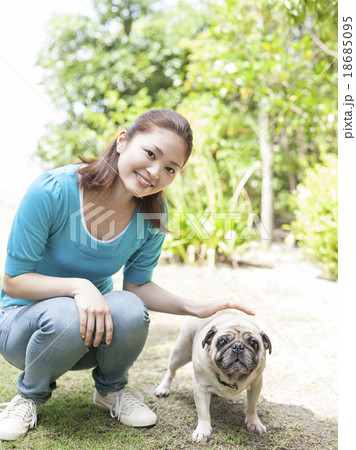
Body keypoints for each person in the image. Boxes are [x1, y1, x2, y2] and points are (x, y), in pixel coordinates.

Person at [0, 109, 253, 441]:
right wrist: (80, 287)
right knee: (65, 310)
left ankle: (110, 389)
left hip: (91, 333)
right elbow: (14, 280)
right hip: (23, 329)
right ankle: (29, 396)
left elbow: (138, 286)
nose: (154, 172)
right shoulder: (53, 191)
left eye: (169, 168)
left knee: (131, 306)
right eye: (150, 154)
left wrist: (197, 308)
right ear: (123, 141)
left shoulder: (153, 214)